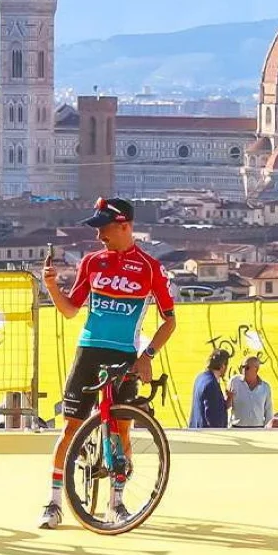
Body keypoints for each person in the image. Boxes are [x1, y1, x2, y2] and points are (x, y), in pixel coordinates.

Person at [39, 198, 177, 530]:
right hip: (88, 351)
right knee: (71, 428)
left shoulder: (150, 268)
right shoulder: (91, 262)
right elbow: (71, 310)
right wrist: (51, 287)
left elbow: (169, 321)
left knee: (121, 430)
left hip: (124, 356)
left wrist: (148, 356)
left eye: (105, 228)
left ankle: (117, 504)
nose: (100, 235)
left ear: (125, 226)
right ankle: (54, 502)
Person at [226, 356, 273, 428]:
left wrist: (268, 431)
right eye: (242, 367)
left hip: (257, 429)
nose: (244, 370)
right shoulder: (234, 381)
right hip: (237, 428)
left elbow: (268, 411)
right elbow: (226, 406)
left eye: (247, 367)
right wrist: (229, 397)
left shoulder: (265, 387)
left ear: (256, 369)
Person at [189, 350, 230, 429]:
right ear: (223, 366)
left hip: (196, 429)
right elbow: (213, 417)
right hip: (207, 433)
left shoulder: (200, 377)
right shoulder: (211, 384)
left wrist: (227, 401)